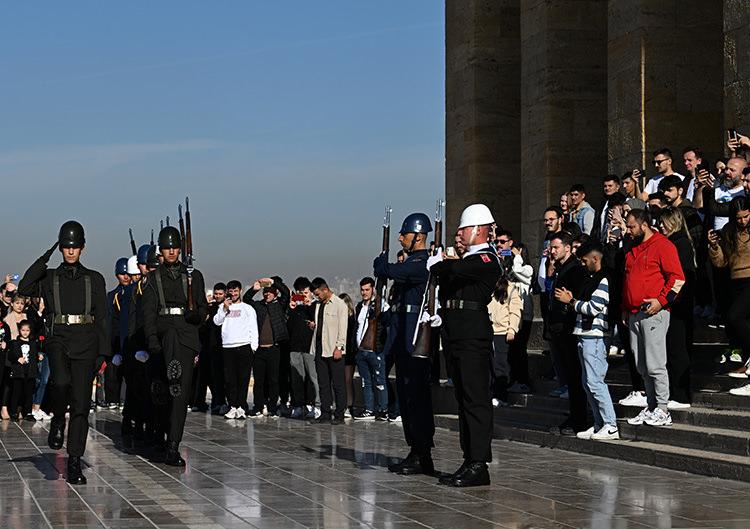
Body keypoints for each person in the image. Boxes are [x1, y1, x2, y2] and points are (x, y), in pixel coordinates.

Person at [18, 220, 110, 484]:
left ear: (82, 248)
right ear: (61, 248)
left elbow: (102, 317)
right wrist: (46, 255)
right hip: (58, 338)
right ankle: (58, 417)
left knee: (81, 404)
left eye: (74, 246)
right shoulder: (49, 277)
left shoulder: (95, 278)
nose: (70, 251)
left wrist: (103, 353)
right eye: (66, 246)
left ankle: (73, 463)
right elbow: (24, 287)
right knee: (59, 381)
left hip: (86, 341)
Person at [429, 203, 502, 487]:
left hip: (473, 336)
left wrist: (442, 264)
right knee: (463, 400)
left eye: (463, 229)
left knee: (476, 400)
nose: (459, 234)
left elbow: (457, 269)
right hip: (455, 334)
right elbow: (448, 275)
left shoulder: (487, 259)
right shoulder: (465, 262)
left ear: (479, 230)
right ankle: (468, 458)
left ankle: (479, 463)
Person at [374, 212, 436, 476]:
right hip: (402, 340)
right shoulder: (412, 262)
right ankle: (415, 450)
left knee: (416, 399)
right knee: (407, 399)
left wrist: (381, 263)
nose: (401, 238)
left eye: (405, 234)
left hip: (414, 342)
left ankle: (422, 452)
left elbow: (388, 270)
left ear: (419, 237)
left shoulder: (422, 263)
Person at [142, 226, 208, 466]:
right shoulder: (153, 278)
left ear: (180, 249)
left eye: (174, 247)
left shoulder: (194, 276)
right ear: (161, 250)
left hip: (186, 335)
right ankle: (160, 434)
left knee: (179, 394)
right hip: (164, 334)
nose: (171, 252)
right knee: (166, 392)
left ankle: (173, 445)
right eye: (167, 248)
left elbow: (202, 309)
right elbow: (148, 314)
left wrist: (196, 316)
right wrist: (151, 340)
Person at [623, 210, 685, 427]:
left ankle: (662, 408)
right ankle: (651, 406)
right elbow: (628, 280)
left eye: (631, 226)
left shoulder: (663, 245)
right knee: (641, 364)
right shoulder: (632, 249)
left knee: (655, 364)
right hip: (634, 314)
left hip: (653, 312)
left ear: (644, 225)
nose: (628, 231)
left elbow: (677, 279)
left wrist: (661, 301)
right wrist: (625, 308)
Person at [555, 242, 619, 440]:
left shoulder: (604, 279)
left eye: (584, 261)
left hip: (596, 337)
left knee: (595, 382)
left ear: (595, 259)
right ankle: (599, 422)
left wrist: (572, 302)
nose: (583, 265)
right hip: (584, 335)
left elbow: (594, 308)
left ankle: (610, 424)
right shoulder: (591, 279)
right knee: (587, 382)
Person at [547, 232, 589, 435]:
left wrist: (569, 303)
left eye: (556, 248)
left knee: (575, 376)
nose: (552, 252)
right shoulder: (561, 269)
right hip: (558, 329)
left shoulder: (575, 270)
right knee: (569, 377)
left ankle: (580, 419)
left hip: (569, 329)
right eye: (551, 248)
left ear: (568, 248)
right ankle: (575, 415)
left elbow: (576, 298)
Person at [708, 198, 750, 395]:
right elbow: (721, 262)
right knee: (735, 322)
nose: (743, 221)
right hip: (735, 281)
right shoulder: (728, 231)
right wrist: (714, 247)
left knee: (735, 316)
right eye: (739, 218)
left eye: (746, 217)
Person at [658, 207, 695, 407]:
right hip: (676, 303)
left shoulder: (679, 244)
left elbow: (681, 278)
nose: (661, 226)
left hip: (679, 305)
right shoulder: (675, 243)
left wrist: (669, 299)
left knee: (677, 349)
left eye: (664, 223)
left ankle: (681, 395)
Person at [243, 276, 290, 417]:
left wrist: (273, 282)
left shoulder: (279, 305)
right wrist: (254, 288)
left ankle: (272, 407)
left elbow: (286, 293)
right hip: (259, 349)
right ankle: (258, 406)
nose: (267, 294)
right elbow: (246, 300)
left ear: (275, 293)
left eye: (270, 292)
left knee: (273, 379)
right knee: (259, 380)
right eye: (265, 292)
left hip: (274, 348)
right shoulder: (258, 306)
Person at [213, 280, 258, 419]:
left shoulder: (247, 308)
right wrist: (225, 309)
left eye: (235, 291)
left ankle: (241, 406)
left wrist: (253, 347)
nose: (233, 294)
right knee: (230, 379)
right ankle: (233, 406)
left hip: (244, 345)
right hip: (228, 346)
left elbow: (253, 327)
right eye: (230, 291)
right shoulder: (222, 307)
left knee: (243, 378)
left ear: (240, 291)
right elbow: (217, 321)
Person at [308, 277, 348, 424]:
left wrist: (339, 347)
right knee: (323, 382)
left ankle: (339, 414)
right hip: (320, 348)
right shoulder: (319, 305)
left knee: (338, 384)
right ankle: (325, 412)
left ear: (325, 289)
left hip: (333, 349)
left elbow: (342, 329)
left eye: (318, 294)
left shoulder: (339, 305)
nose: (316, 297)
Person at [354, 277, 387, 420]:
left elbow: (385, 323)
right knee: (365, 382)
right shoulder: (359, 306)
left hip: (375, 350)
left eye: (367, 289)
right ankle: (369, 409)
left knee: (380, 381)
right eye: (362, 290)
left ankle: (383, 409)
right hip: (361, 351)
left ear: (373, 289)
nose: (364, 292)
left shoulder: (381, 305)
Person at [287, 277, 319, 419]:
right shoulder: (294, 308)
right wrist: (291, 308)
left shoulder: (316, 306)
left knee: (313, 377)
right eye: (300, 293)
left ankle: (315, 404)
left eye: (305, 292)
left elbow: (317, 323)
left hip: (309, 347)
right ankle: (298, 404)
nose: (303, 295)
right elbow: (288, 326)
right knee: (297, 378)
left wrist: (309, 306)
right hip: (294, 347)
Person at [487, 275, 521, 407]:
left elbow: (515, 311)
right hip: (490, 331)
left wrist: (512, 329)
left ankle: (501, 396)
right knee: (490, 365)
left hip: (503, 332)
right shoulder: (487, 285)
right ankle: (492, 393)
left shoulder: (510, 288)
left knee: (501, 365)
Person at [104, 257, 131, 409]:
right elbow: (110, 323)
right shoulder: (111, 296)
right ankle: (112, 399)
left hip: (129, 341)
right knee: (113, 376)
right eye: (122, 274)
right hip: (115, 342)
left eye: (127, 274)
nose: (125, 277)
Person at [8, 320, 40, 422]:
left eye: (27, 330)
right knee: (16, 392)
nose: (25, 332)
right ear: (19, 330)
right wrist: (17, 359)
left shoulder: (33, 343)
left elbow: (34, 355)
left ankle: (28, 413)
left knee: (29, 393)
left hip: (30, 372)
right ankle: (13, 412)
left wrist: (38, 356)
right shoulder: (15, 343)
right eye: (23, 330)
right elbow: (10, 355)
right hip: (18, 372)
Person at [339, 292, 358, 418]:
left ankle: (349, 405)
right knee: (341, 380)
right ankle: (343, 404)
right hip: (341, 351)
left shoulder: (351, 320)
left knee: (347, 380)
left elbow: (352, 338)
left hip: (349, 353)